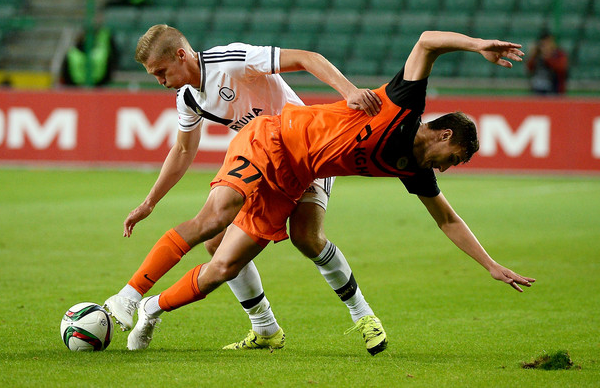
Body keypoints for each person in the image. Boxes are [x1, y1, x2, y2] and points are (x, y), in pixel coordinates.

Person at [124, 30, 535, 353]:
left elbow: (448, 219)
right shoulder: (402, 107)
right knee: (213, 225)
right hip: (272, 137)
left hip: (298, 175)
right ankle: (126, 298)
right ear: (444, 133)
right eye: (453, 157)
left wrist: (490, 265)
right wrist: (478, 45)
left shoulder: (412, 168)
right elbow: (427, 41)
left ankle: (150, 308)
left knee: (227, 263)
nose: (447, 167)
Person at [104, 25, 388, 355]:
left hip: (307, 151)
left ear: (181, 55)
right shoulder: (187, 97)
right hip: (263, 161)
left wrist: (349, 91)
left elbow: (307, 58)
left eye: (161, 72)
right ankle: (264, 326)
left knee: (307, 237)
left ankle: (364, 315)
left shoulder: (232, 61)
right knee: (216, 242)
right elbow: (183, 150)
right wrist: (150, 202)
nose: (160, 81)